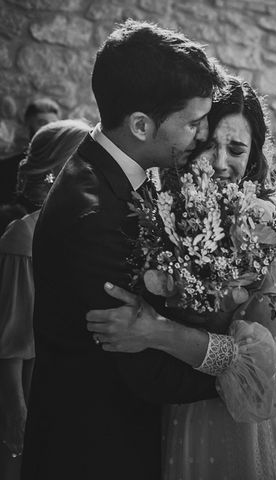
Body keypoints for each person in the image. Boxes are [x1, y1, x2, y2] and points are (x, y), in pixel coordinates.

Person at [85, 77, 276, 479]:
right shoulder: (157, 208)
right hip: (156, 411)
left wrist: (159, 332)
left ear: (253, 159)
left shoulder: (265, 228)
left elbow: (265, 366)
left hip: (233, 423)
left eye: (236, 149)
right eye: (208, 144)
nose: (219, 162)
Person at [21, 21, 224, 480]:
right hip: (94, 451)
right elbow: (146, 369)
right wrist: (237, 365)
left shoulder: (113, 173)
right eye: (191, 122)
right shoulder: (93, 215)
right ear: (140, 125)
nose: (202, 134)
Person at [0, 119, 89, 480]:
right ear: (61, 168)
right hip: (31, 383)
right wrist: (14, 409)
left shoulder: (76, 225)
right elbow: (10, 341)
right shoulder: (23, 237)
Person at [0, 98, 61, 206]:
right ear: (28, 126)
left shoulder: (65, 166)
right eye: (42, 123)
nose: (50, 128)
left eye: (55, 124)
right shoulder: (7, 167)